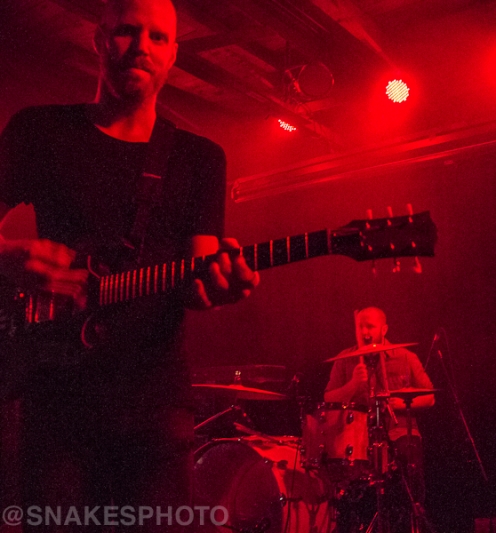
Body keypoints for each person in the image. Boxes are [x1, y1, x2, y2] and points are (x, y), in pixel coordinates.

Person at [0, 0, 259, 529]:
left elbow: (197, 280)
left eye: (158, 37)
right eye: (127, 31)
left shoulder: (200, 157)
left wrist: (222, 285)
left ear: (174, 54)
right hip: (56, 401)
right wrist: (10, 257)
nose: (142, 46)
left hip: (155, 409)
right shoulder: (39, 131)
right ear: (99, 40)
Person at [324, 307, 434, 523]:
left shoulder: (405, 357)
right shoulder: (345, 359)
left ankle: (412, 517)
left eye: (370, 327)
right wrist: (352, 385)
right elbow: (328, 397)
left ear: (384, 330)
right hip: (359, 436)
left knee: (408, 456)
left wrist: (402, 403)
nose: (365, 332)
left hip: (399, 431)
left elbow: (430, 397)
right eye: (361, 327)